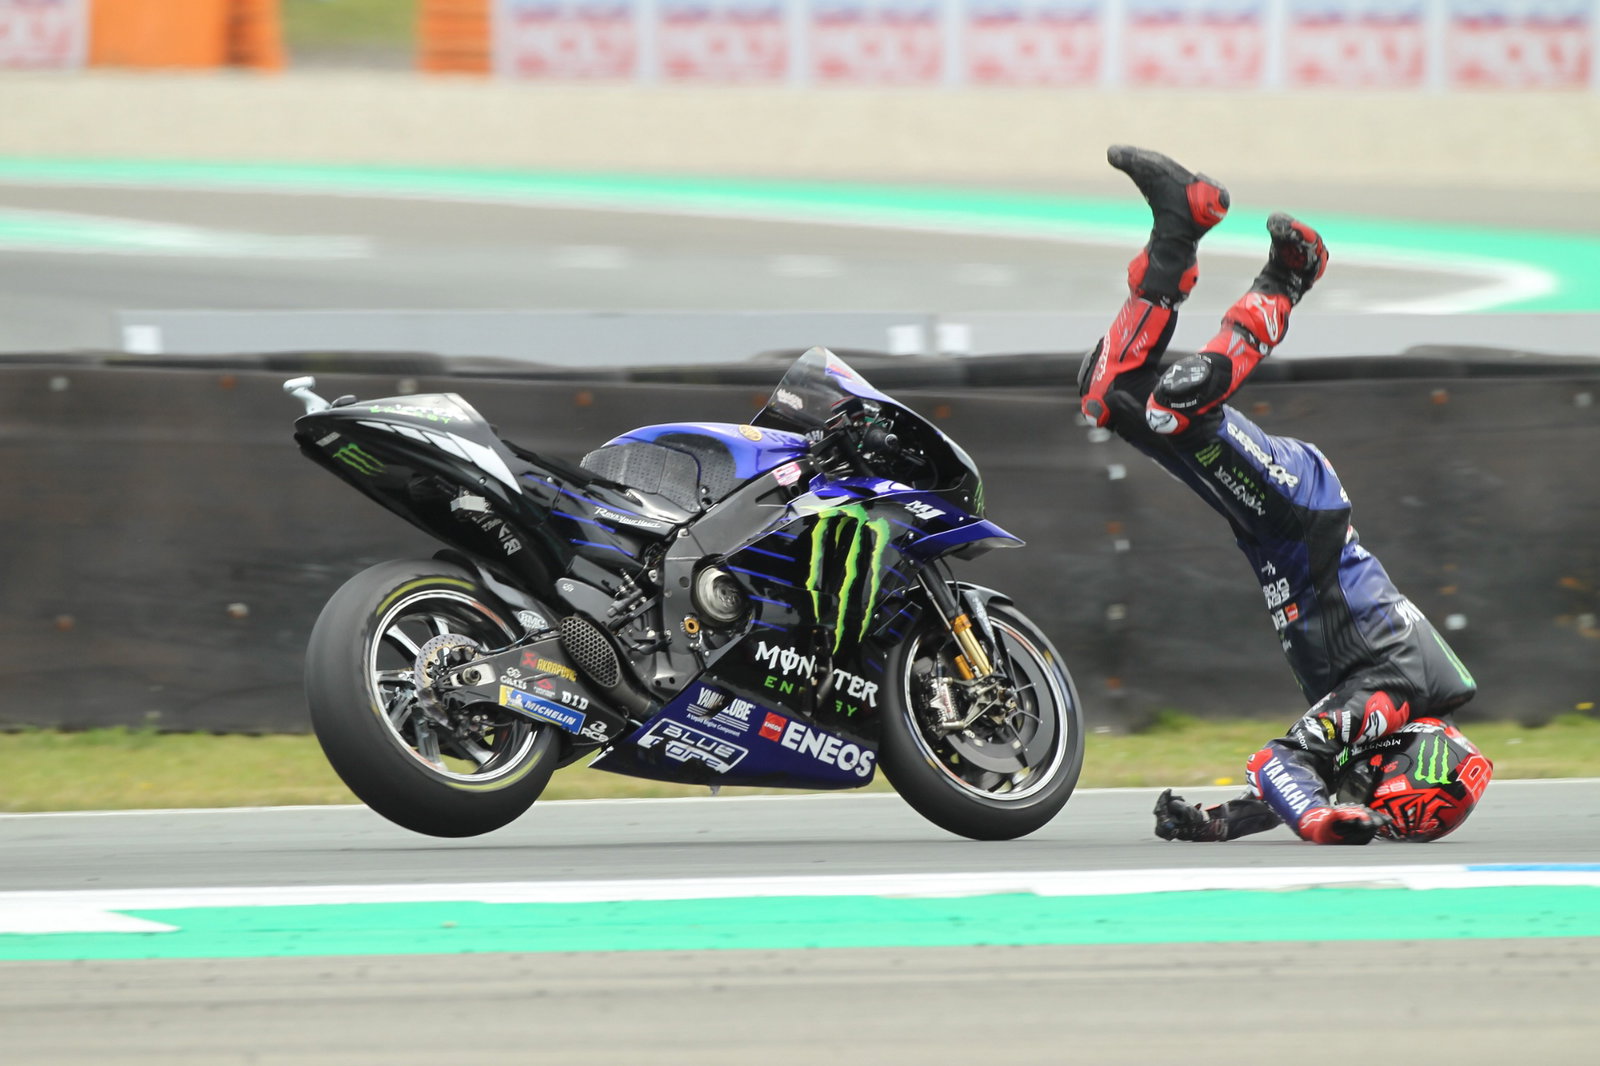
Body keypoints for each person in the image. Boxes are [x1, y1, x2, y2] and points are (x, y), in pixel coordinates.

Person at [1078, 146, 1493, 844]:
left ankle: (1179, 222)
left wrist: (1213, 825)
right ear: (1411, 764)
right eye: (1378, 793)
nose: (1361, 791)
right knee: (1178, 408)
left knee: (1111, 395)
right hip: (1301, 516)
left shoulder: (1380, 717)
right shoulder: (1390, 698)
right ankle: (1289, 278)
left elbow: (1295, 774)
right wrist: (1322, 820)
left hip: (1274, 530)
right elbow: (1284, 764)